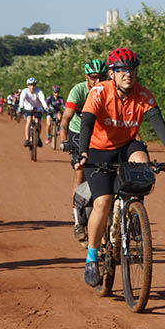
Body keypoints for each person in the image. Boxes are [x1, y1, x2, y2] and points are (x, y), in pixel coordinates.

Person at [75, 47, 165, 287]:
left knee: (143, 165)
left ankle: (134, 213)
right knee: (103, 202)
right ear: (112, 73)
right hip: (98, 149)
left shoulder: (143, 94)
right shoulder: (99, 92)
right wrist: (82, 152)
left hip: (127, 146)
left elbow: (159, 125)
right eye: (122, 70)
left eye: (132, 69)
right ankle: (92, 258)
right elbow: (86, 123)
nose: (128, 74)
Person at [59, 59, 109, 242]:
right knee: (80, 173)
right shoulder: (79, 90)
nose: (98, 81)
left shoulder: (109, 90)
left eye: (102, 77)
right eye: (94, 77)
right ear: (87, 77)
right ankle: (78, 220)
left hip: (99, 133)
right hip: (78, 133)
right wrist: (64, 140)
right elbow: (66, 118)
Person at [19, 77, 48, 147]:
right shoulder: (25, 91)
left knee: (38, 122)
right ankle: (27, 139)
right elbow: (22, 99)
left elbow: (42, 99)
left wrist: (46, 107)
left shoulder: (38, 91)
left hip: (37, 110)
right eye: (30, 85)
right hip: (27, 109)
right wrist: (20, 107)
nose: (32, 87)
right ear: (27, 85)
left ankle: (38, 137)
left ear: (35, 85)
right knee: (29, 120)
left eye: (33, 85)